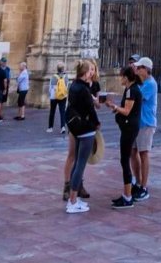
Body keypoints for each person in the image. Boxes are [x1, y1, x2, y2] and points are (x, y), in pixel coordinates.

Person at [103, 65, 143, 208]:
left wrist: (114, 107)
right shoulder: (130, 89)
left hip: (129, 128)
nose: (120, 78)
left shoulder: (131, 90)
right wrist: (114, 107)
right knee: (125, 159)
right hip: (130, 127)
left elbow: (126, 111)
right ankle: (127, 193)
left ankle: (127, 196)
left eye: (121, 76)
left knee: (124, 160)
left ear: (126, 77)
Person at [64, 60, 100, 214]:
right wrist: (97, 123)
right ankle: (73, 200)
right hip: (86, 128)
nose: (92, 73)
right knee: (80, 165)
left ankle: (74, 198)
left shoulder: (73, 86)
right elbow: (91, 110)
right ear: (85, 72)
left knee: (77, 162)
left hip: (76, 128)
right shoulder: (84, 89)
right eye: (90, 70)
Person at [131, 57, 157, 200]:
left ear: (146, 70)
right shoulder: (141, 83)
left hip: (146, 123)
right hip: (137, 122)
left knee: (143, 153)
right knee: (133, 152)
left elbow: (136, 99)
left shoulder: (150, 84)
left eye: (139, 67)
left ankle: (144, 186)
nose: (137, 69)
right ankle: (138, 181)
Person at [47, 68, 69, 134]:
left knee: (52, 112)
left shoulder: (53, 77)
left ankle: (50, 128)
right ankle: (63, 127)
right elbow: (67, 86)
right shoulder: (66, 77)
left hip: (54, 97)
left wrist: (50, 95)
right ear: (63, 69)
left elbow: (51, 87)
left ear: (57, 69)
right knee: (62, 112)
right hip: (63, 96)